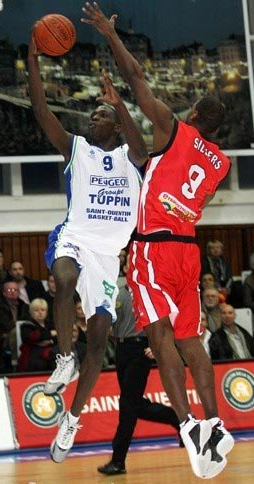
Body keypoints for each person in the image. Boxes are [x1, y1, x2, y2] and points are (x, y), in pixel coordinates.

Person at [81, 2, 233, 479]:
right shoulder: (219, 163)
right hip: (190, 250)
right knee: (192, 342)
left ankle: (188, 423)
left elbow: (136, 74)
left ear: (192, 113)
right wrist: (123, 108)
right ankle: (213, 421)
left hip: (154, 249)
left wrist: (109, 34)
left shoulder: (175, 129)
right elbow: (148, 157)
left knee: (160, 335)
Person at [28, 33, 147, 463]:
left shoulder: (131, 158)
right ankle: (64, 359)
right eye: (94, 114)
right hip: (75, 237)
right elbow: (41, 111)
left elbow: (141, 145)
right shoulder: (76, 149)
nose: (91, 119)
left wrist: (118, 103)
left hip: (107, 256)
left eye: (99, 115)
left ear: (115, 124)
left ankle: (72, 420)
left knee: (98, 339)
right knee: (62, 278)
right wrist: (33, 58)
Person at [98, 276, 181, 476]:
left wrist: (159, 345)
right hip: (121, 347)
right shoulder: (115, 286)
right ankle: (178, 418)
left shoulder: (151, 288)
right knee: (135, 404)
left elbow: (170, 316)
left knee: (128, 404)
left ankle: (118, 459)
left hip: (140, 348)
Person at [0, 281, 29, 372]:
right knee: (15, 332)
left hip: (23, 335)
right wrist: (18, 325)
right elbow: (6, 325)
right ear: (4, 293)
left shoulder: (25, 306)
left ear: (19, 293)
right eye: (9, 289)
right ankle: (16, 362)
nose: (13, 292)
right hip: (3, 338)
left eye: (15, 290)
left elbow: (27, 322)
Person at [17, 298, 57, 372]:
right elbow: (30, 337)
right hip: (32, 357)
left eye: (43, 310)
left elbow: (57, 339)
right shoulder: (26, 325)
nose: (40, 312)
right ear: (31, 312)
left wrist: (49, 341)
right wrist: (51, 333)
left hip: (50, 355)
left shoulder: (51, 324)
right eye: (36, 310)